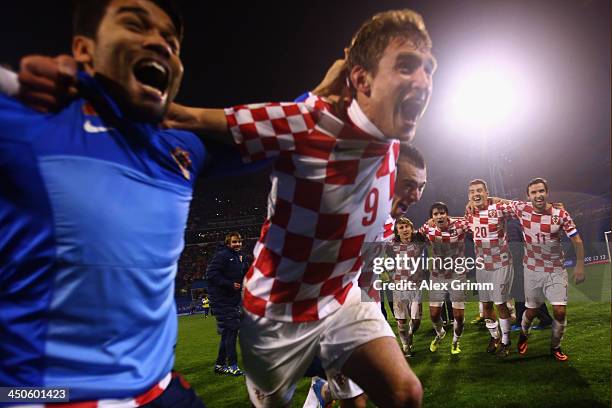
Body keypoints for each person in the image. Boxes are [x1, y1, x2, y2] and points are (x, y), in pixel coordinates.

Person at [164, 9, 434, 407]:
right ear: (362, 79)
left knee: (405, 393)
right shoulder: (306, 123)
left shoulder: (392, 137)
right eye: (407, 66)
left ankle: (327, 387)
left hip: (341, 301)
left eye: (429, 69)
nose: (424, 82)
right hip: (275, 314)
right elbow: (179, 117)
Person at [0, 0, 260, 405]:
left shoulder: (182, 146)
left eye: (172, 43)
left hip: (161, 392)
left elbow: (291, 130)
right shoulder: (27, 120)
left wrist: (336, 91)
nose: (160, 44)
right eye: (135, 25)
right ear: (84, 49)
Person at [496, 178, 585, 361]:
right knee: (531, 311)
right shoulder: (522, 209)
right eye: (534, 192)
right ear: (528, 196)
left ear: (547, 192)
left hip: (556, 270)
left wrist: (580, 265)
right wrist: (475, 201)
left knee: (560, 311)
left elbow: (577, 240)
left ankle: (555, 347)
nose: (538, 195)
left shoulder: (560, 214)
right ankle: (524, 334)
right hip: (532, 271)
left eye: (541, 191)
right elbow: (499, 202)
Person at [464, 179, 515, 357]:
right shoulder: (469, 214)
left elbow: (521, 207)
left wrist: (496, 199)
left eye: (479, 190)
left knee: (500, 303)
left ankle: (506, 342)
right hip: (482, 265)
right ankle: (494, 336)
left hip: (501, 263)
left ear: (487, 192)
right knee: (485, 306)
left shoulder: (499, 208)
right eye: (472, 192)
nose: (475, 194)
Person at [419, 202, 469, 355]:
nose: (439, 216)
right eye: (435, 214)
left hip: (457, 275)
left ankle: (455, 342)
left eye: (442, 213)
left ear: (447, 214)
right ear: (431, 217)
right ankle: (440, 334)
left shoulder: (460, 225)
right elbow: (414, 238)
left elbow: (474, 223)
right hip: (437, 276)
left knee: (458, 317)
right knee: (434, 315)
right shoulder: (427, 228)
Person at [207, 232, 249, 376]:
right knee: (231, 331)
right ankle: (232, 365)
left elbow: (244, 272)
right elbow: (211, 274)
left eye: (239, 241)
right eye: (234, 242)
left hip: (232, 299)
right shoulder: (222, 255)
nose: (237, 244)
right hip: (221, 300)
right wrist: (230, 284)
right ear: (228, 243)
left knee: (227, 333)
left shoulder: (239, 257)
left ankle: (220, 365)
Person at [389, 217, 426, 357]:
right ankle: (405, 347)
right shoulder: (392, 244)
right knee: (401, 320)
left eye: (407, 227)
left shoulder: (419, 241)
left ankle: (410, 334)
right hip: (399, 286)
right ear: (397, 232)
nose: (405, 230)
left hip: (415, 286)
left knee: (416, 320)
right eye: (401, 228)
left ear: (411, 228)